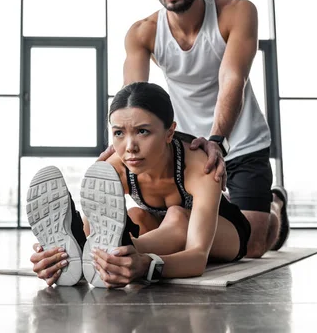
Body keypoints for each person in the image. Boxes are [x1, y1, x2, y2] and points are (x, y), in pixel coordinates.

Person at [101, 0, 289, 258]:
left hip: (241, 142)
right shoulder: (142, 32)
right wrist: (119, 141)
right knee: (187, 226)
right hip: (189, 148)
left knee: (254, 247)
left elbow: (233, 78)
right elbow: (132, 97)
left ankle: (275, 203)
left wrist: (218, 138)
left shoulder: (237, 12)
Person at [27, 82, 251, 288]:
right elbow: (90, 230)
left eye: (142, 131)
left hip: (225, 233)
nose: (130, 147)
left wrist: (146, 265)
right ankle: (108, 253)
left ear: (169, 132)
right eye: (119, 133)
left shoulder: (200, 166)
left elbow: (197, 258)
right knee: (134, 215)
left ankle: (117, 251)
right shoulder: (115, 168)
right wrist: (57, 256)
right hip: (162, 230)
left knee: (176, 215)